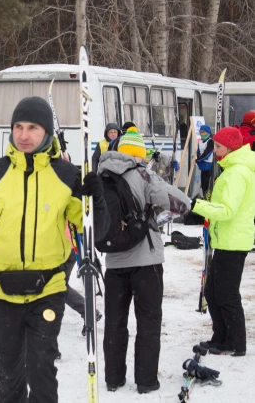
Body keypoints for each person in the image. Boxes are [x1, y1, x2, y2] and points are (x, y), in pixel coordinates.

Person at [0, 96, 110, 403]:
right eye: (18, 127)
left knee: (41, 370)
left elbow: (96, 233)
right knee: (9, 372)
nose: (24, 135)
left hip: (48, 287)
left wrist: (97, 200)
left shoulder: (66, 175)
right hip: (2, 291)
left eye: (33, 127)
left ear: (46, 132)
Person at [98, 127, 190, 394]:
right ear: (140, 155)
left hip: (114, 262)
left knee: (115, 323)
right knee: (148, 321)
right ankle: (146, 381)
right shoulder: (144, 174)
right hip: (145, 261)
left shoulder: (100, 175)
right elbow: (181, 203)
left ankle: (113, 379)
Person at [192, 126, 255, 357]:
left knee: (226, 294)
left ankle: (235, 342)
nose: (215, 150)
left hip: (233, 241)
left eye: (218, 146)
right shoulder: (231, 169)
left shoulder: (237, 172)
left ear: (230, 147)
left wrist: (197, 206)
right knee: (212, 291)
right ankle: (221, 337)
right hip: (226, 240)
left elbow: (227, 210)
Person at [196, 124, 214, 197]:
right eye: (201, 132)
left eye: (203, 132)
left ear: (208, 132)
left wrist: (199, 159)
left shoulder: (210, 142)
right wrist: (198, 159)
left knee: (207, 183)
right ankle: (203, 195)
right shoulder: (200, 142)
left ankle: (207, 196)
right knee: (202, 182)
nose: (202, 134)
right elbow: (198, 152)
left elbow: (207, 153)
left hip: (208, 165)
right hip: (202, 165)